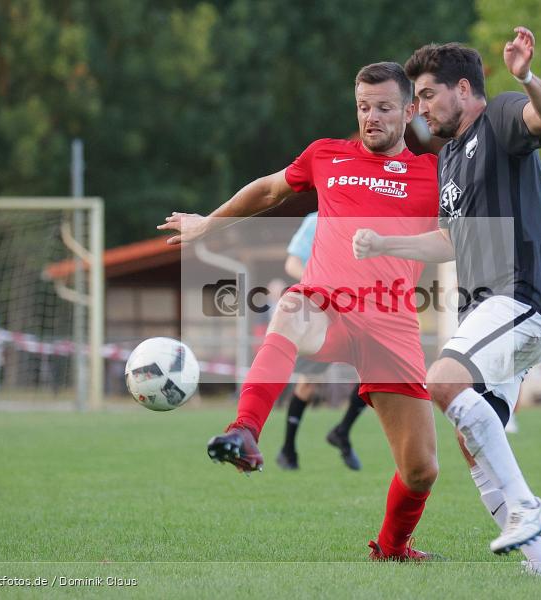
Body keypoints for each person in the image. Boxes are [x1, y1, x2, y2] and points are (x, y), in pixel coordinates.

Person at [159, 62, 441, 561]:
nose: (371, 117)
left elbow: (489, 193)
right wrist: (210, 222)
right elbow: (268, 190)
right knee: (290, 308)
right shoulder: (326, 154)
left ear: (410, 110)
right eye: (363, 107)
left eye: (383, 107)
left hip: (391, 326)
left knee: (421, 470)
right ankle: (244, 431)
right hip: (327, 307)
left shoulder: (433, 172)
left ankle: (392, 548)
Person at [353, 29, 541, 574]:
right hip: (488, 310)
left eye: (426, 94)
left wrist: (524, 77)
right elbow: (448, 240)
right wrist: (385, 243)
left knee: (442, 382)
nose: (419, 107)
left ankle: (525, 506)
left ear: (463, 88)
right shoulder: (448, 158)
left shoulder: (497, 117)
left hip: (520, 297)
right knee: (473, 441)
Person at [276, 211, 366, 472]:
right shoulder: (315, 221)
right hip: (321, 312)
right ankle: (288, 449)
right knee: (308, 384)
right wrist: (323, 284)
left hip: (357, 309)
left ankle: (343, 431)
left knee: (376, 375)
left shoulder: (367, 219)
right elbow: (292, 263)